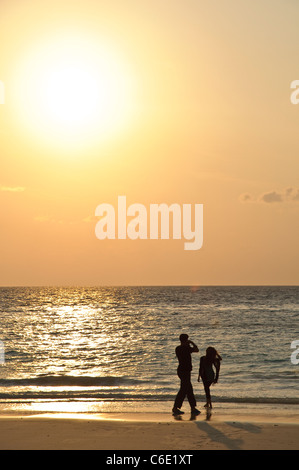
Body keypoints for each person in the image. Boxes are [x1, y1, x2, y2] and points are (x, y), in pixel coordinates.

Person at [172, 333, 201, 416]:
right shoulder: (186, 348)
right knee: (184, 390)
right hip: (185, 371)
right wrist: (191, 342)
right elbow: (196, 350)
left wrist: (188, 344)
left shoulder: (178, 348)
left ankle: (192, 408)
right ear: (186, 340)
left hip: (182, 370)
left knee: (188, 389)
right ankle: (176, 407)